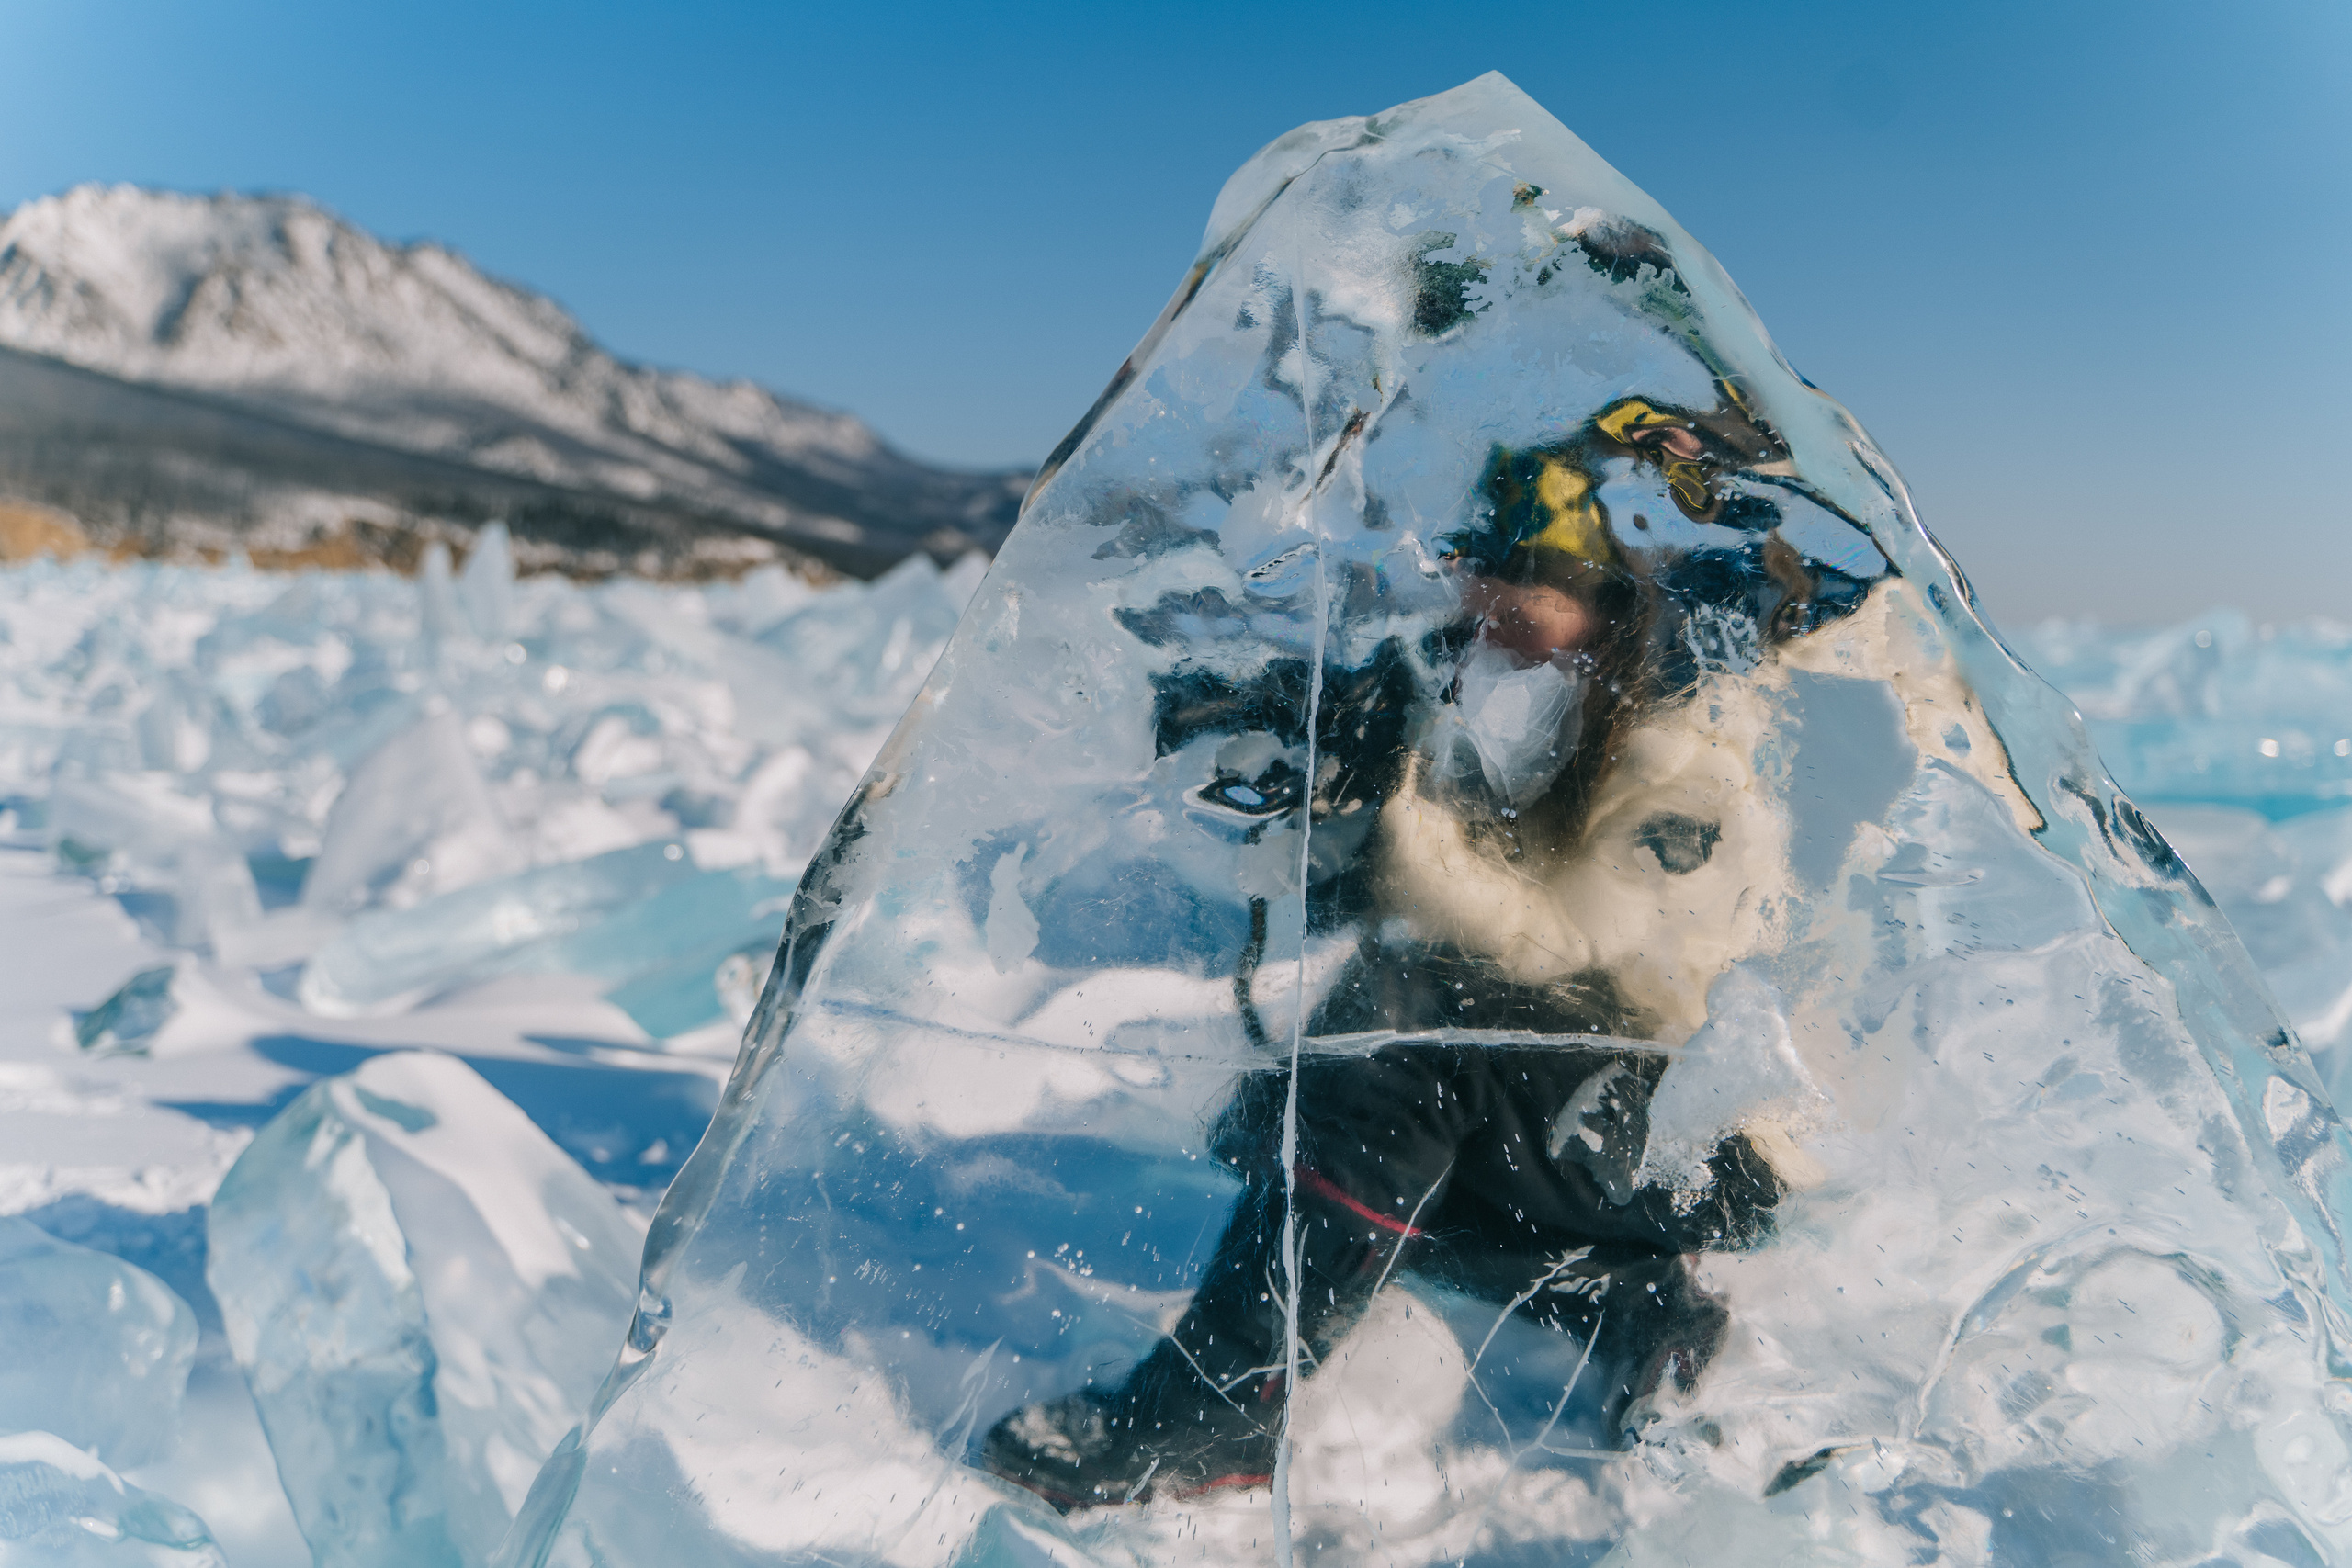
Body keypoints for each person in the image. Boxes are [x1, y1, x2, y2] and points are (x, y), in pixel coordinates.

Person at [981, 391, 1835, 1511]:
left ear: (1606, 599)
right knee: (1286, 1119)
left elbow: (1569, 938)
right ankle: (1619, 1300)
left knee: (1402, 1054)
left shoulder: (1692, 739)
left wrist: (1391, 807)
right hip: (1582, 1113)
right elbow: (1395, 900)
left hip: (1706, 1132)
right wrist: (1284, 760)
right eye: (1478, 579)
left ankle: (1220, 1406)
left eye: (1518, 589)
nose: (1485, 611)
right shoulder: (1502, 691)